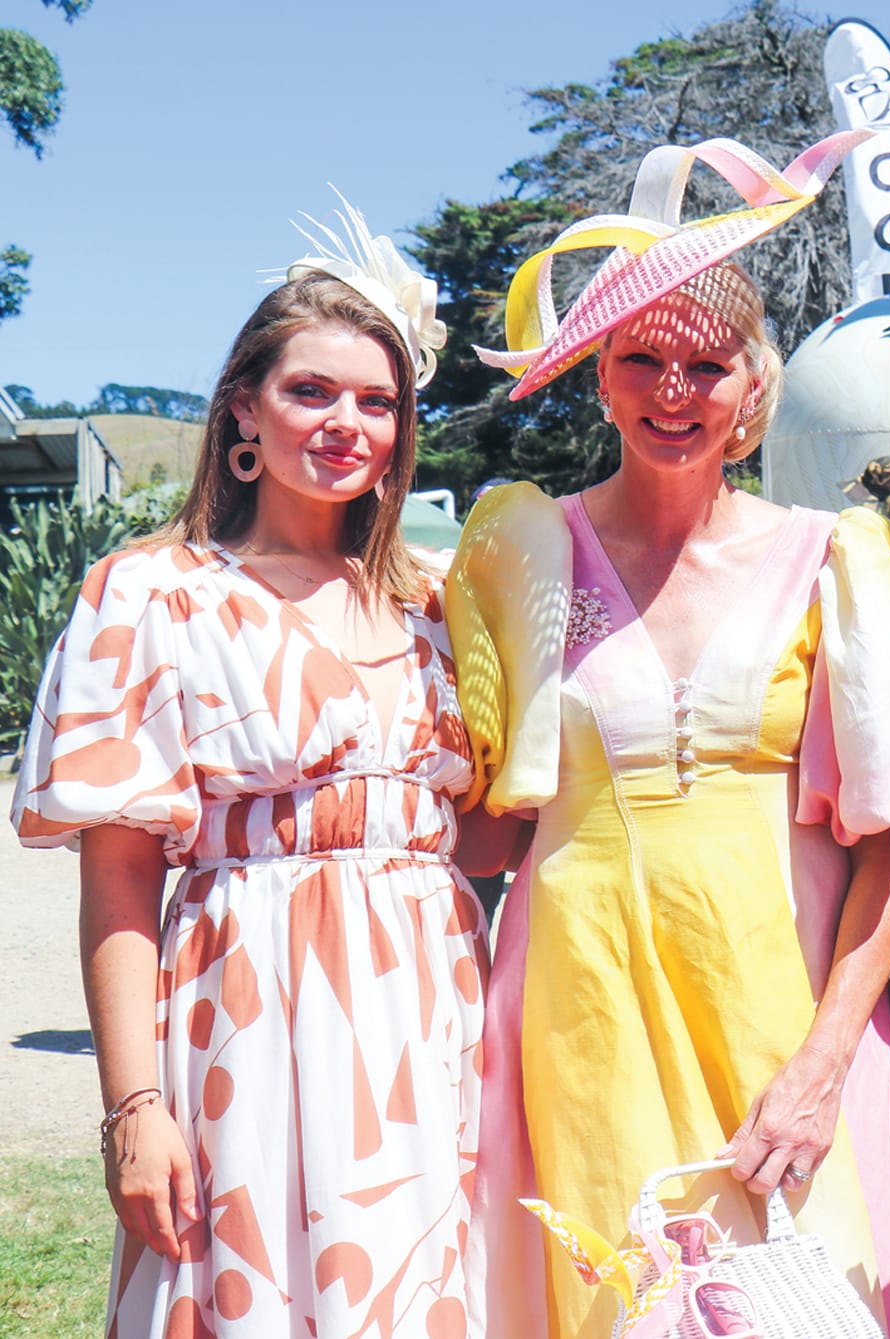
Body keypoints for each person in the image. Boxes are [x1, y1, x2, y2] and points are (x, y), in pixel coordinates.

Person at [448, 131, 890, 1339]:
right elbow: (481, 839)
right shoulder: (519, 549)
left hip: (774, 1001)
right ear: (598, 375)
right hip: (576, 1005)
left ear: (753, 384)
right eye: (642, 359)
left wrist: (823, 1065)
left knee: (802, 1299)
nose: (675, 391)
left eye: (707, 365)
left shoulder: (833, 559)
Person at [10, 200, 486, 1336]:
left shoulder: (437, 600)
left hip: (433, 1017)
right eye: (309, 391)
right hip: (249, 1016)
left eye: (377, 402)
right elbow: (118, 875)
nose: (345, 424)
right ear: (243, 410)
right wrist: (134, 1105)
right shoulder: (152, 596)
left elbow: (486, 828)